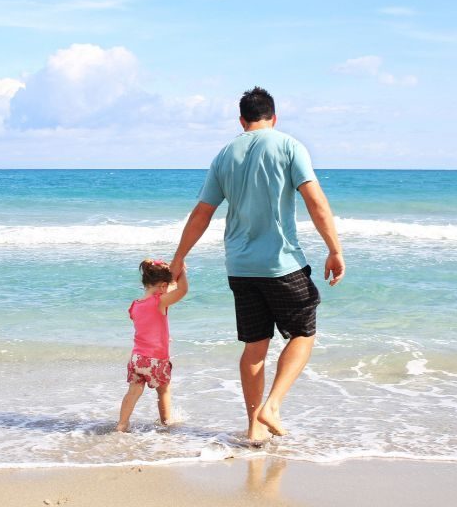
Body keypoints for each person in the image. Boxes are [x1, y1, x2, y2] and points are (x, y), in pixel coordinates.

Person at [169, 86, 345, 442]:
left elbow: (203, 213)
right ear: (273, 117)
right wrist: (334, 249)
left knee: (254, 346)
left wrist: (179, 257)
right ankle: (273, 406)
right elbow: (315, 201)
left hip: (240, 266)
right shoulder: (289, 145)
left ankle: (253, 429)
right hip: (280, 264)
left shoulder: (223, 155)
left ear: (241, 120)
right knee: (303, 334)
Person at [116, 259, 188, 432]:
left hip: (137, 359)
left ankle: (122, 424)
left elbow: (148, 325)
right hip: (156, 359)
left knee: (133, 391)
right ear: (163, 286)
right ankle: (166, 422)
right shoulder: (160, 302)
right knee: (163, 391)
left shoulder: (134, 306)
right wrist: (182, 272)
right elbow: (182, 290)